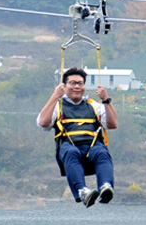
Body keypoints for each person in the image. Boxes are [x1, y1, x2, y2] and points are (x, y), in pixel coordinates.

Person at [38, 66, 117, 207]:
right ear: (64, 86)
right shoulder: (58, 106)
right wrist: (55, 96)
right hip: (69, 145)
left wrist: (106, 99)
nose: (77, 87)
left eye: (80, 83)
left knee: (102, 152)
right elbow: (43, 123)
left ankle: (106, 186)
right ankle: (82, 191)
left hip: (92, 145)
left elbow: (112, 124)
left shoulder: (93, 106)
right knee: (71, 152)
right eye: (72, 83)